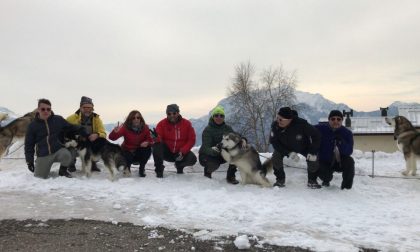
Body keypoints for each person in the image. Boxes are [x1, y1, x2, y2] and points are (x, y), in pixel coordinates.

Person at [24, 98, 87, 179]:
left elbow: (70, 127)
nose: (46, 111)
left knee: (67, 155)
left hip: (58, 150)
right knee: (39, 177)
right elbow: (29, 144)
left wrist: (81, 129)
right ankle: (41, 166)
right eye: (43, 109)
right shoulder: (32, 126)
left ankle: (63, 171)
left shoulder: (58, 119)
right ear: (38, 110)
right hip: (43, 154)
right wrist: (29, 161)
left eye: (48, 109)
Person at [269, 106, 321, 188]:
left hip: (303, 146)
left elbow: (317, 135)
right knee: (276, 157)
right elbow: (274, 142)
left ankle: (312, 181)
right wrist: (288, 153)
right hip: (285, 147)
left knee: (313, 158)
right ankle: (280, 180)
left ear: (290, 120)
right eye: (277, 118)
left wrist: (312, 151)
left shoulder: (302, 124)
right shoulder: (275, 125)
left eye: (281, 119)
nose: (278, 121)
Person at [198, 105, 241, 184]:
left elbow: (236, 137)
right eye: (216, 115)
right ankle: (207, 172)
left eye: (221, 116)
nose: (219, 117)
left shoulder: (227, 128)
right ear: (213, 117)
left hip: (222, 154)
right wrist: (216, 149)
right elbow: (205, 148)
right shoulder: (208, 130)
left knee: (237, 152)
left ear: (224, 117)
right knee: (213, 164)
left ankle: (231, 176)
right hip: (207, 155)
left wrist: (243, 139)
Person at [152, 104, 197, 178]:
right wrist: (156, 138)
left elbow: (192, 139)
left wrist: (183, 151)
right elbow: (159, 138)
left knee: (192, 159)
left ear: (178, 113)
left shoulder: (186, 124)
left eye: (174, 113)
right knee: (156, 145)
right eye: (169, 114)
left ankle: (179, 165)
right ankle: (159, 169)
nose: (172, 115)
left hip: (180, 153)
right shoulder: (162, 124)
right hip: (167, 153)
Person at [315, 110, 355, 190]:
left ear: (342, 121)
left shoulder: (347, 133)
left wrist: (341, 143)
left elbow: (349, 151)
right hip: (324, 161)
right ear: (329, 120)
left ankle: (346, 188)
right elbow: (307, 129)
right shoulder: (320, 129)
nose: (335, 121)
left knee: (350, 161)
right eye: (333, 119)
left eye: (338, 119)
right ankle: (326, 180)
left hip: (339, 162)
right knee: (326, 176)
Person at [66, 96, 107, 172]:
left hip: (89, 143)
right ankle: (71, 164)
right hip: (75, 143)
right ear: (80, 107)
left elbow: (103, 133)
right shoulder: (71, 119)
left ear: (92, 108)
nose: (87, 110)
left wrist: (97, 134)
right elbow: (65, 133)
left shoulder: (96, 119)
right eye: (85, 107)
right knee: (70, 151)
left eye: (90, 108)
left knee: (100, 143)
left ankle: (93, 163)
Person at [109, 110, 153, 177]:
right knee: (127, 154)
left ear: (141, 119)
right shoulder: (125, 127)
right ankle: (127, 169)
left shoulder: (145, 127)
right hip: (127, 151)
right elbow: (112, 138)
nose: (136, 119)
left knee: (147, 149)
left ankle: (142, 169)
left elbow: (150, 139)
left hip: (139, 151)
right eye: (133, 118)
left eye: (138, 118)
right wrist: (115, 132)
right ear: (130, 119)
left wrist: (147, 142)